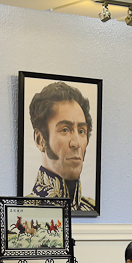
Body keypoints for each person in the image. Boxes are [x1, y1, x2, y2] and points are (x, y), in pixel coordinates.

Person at [27, 81, 95, 213]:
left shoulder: (90, 207)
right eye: (65, 129)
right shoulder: (24, 210)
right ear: (40, 140)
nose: (76, 143)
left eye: (81, 131)